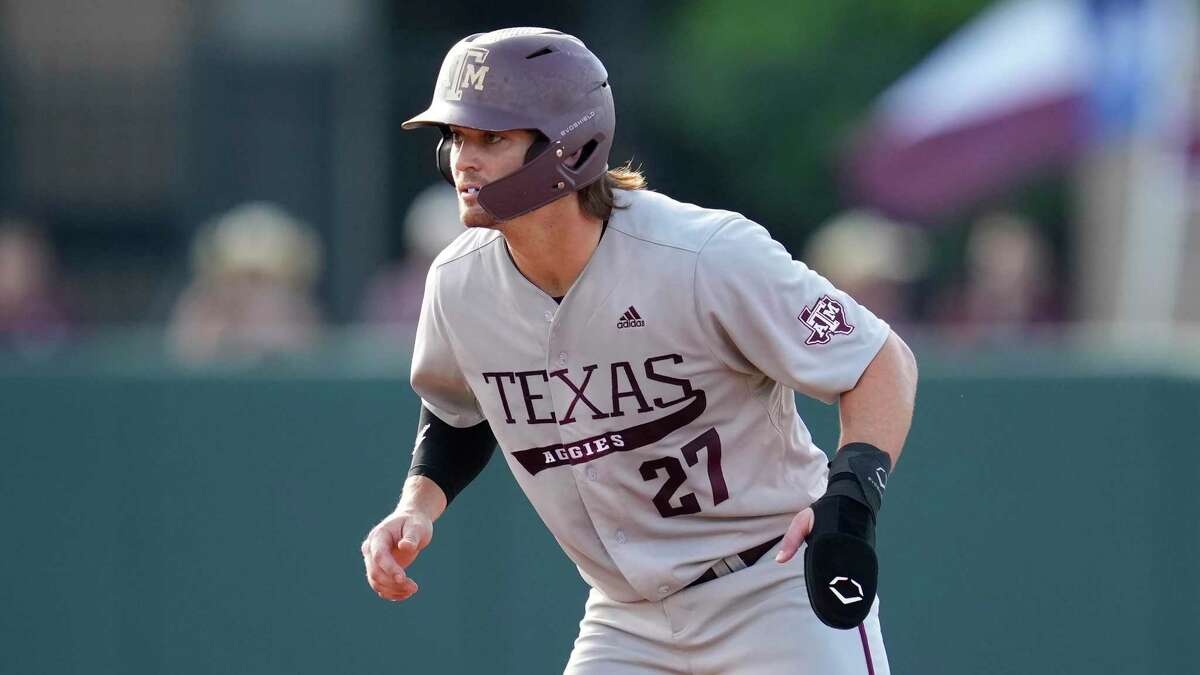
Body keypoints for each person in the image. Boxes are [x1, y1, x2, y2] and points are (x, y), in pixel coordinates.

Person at [361, 27, 917, 674]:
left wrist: (850, 496)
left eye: (493, 138)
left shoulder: (703, 255)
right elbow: (458, 411)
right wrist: (416, 506)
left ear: (568, 145)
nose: (463, 158)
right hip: (627, 617)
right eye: (456, 136)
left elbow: (880, 359)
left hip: (772, 588)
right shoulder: (459, 284)